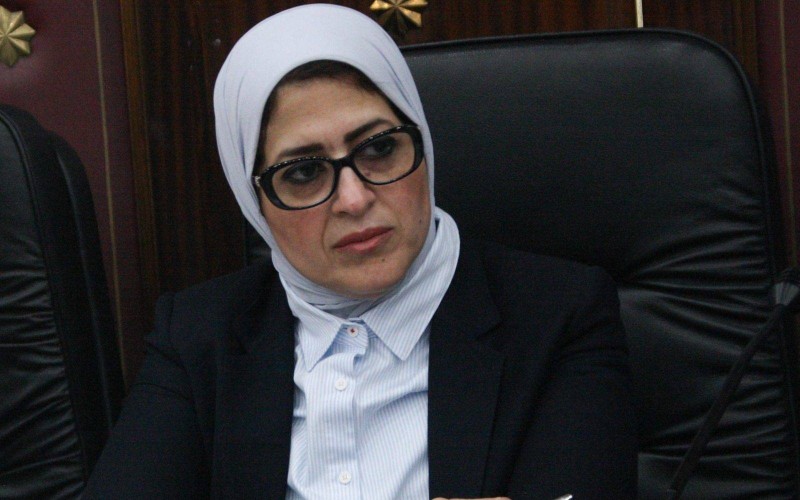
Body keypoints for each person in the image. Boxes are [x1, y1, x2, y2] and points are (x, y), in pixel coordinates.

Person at [85, 4, 636, 499]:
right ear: (254, 201)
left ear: (421, 141)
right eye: (303, 172)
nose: (353, 199)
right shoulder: (199, 335)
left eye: (379, 148)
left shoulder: (559, 314)